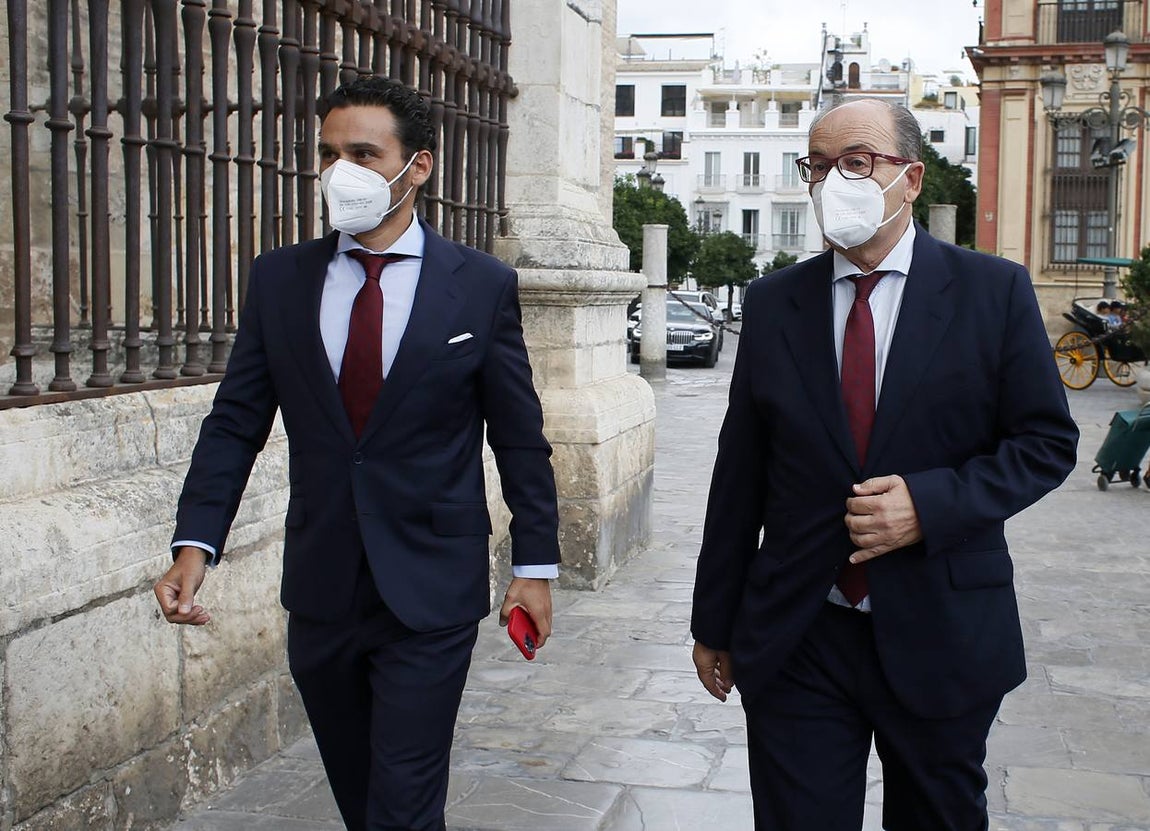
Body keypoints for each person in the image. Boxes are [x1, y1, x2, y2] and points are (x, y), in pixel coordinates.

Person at [153, 76, 561, 831]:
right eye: (330, 153)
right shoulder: (280, 279)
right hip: (322, 585)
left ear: (419, 167)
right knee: (362, 796)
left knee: (402, 803)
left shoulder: (480, 286)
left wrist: (534, 568)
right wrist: (195, 542)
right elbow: (235, 421)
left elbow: (518, 434)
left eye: (364, 154)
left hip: (430, 588)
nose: (341, 171)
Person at [690, 97, 1078, 830]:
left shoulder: (992, 292)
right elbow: (739, 471)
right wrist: (714, 619)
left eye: (858, 162)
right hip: (801, 629)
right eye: (819, 165)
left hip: (942, 626)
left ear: (912, 179)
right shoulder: (774, 303)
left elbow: (1046, 443)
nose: (834, 179)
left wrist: (929, 506)